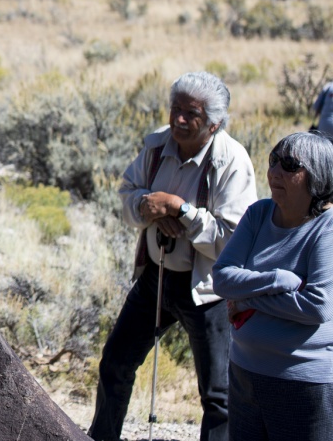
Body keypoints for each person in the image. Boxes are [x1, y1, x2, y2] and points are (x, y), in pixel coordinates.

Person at [89, 71, 258, 441]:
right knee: (116, 363)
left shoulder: (231, 162)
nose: (179, 119)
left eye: (190, 113)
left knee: (218, 394)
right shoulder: (156, 147)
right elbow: (128, 194)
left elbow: (233, 241)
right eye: (175, 108)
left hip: (207, 292)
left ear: (213, 124)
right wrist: (149, 207)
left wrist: (181, 210)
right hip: (157, 276)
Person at [212, 132, 333, 441]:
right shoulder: (259, 214)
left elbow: (318, 305)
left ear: (318, 176)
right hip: (246, 376)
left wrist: (247, 301)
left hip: (311, 385)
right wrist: (278, 280)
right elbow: (222, 278)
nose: (276, 172)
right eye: (273, 161)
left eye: (291, 165)